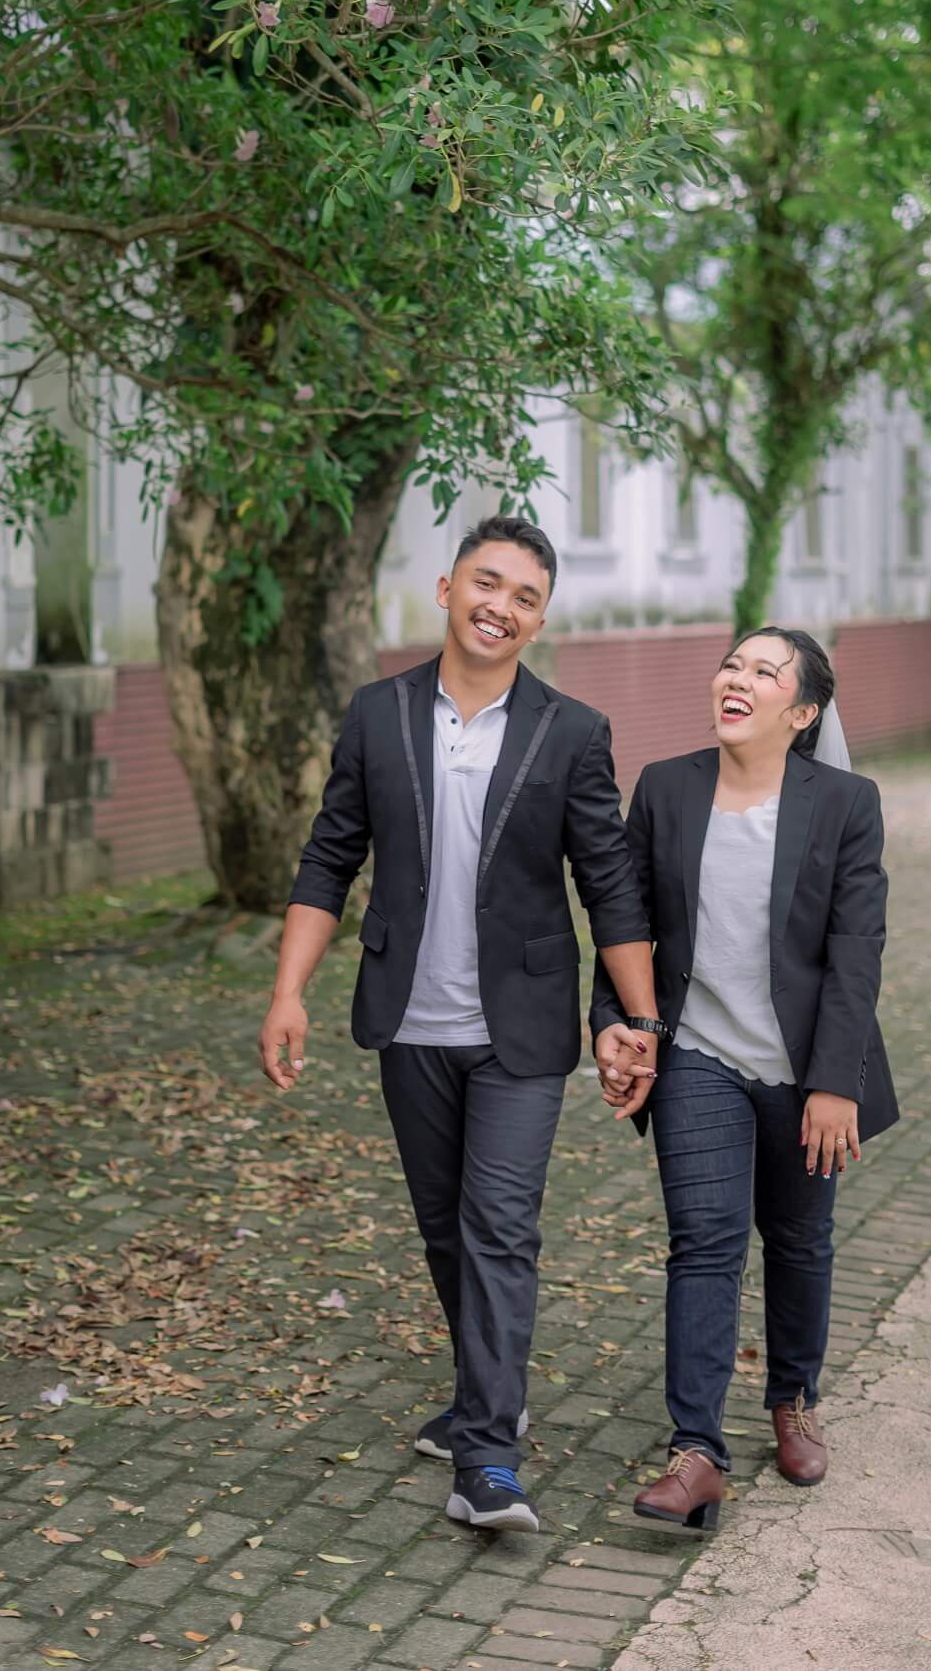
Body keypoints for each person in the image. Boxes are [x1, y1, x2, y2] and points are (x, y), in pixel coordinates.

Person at [258, 515, 661, 1534]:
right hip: (411, 1021)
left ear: (539, 620)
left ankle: (488, 1457)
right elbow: (329, 857)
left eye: (525, 597)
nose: (501, 607)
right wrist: (288, 991)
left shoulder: (570, 731)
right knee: (446, 1228)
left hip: (521, 1030)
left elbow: (608, 885)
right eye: (487, 584)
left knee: (499, 1228)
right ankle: (492, 1388)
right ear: (447, 589)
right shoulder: (378, 712)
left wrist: (640, 1018)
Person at [591, 626, 898, 1531]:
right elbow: (624, 921)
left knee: (799, 1241)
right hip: (698, 1056)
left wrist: (835, 1082)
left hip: (805, 1070)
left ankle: (793, 1399)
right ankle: (696, 1454)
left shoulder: (845, 803)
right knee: (705, 1242)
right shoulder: (667, 788)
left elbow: (856, 952)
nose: (738, 678)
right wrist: (613, 1023)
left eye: (766, 672)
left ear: (802, 713)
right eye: (733, 664)